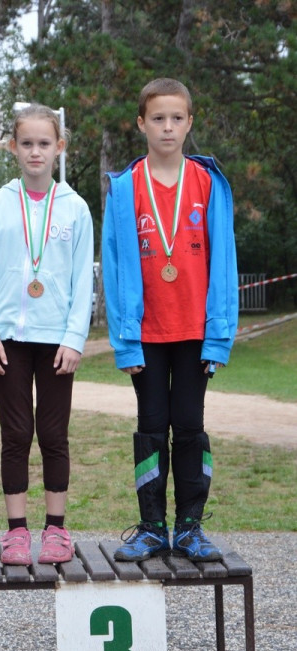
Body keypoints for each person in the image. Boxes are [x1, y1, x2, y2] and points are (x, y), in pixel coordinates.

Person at [103, 79, 237, 562]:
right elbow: (116, 268)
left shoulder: (207, 184)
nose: (167, 127)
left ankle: (190, 527)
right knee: (151, 427)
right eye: (157, 118)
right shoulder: (125, 188)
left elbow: (224, 264)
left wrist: (219, 338)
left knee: (191, 426)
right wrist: (125, 342)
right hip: (147, 334)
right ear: (141, 123)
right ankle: (152, 527)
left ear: (189, 123)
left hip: (196, 333)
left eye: (176, 118)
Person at [0, 104, 94, 565]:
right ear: (12, 148)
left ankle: (57, 531)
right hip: (9, 337)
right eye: (27, 143)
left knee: (53, 433)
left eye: (45, 143)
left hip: (57, 339)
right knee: (16, 432)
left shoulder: (76, 208)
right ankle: (17, 532)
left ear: (59, 147)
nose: (35, 151)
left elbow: (83, 280)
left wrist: (74, 338)